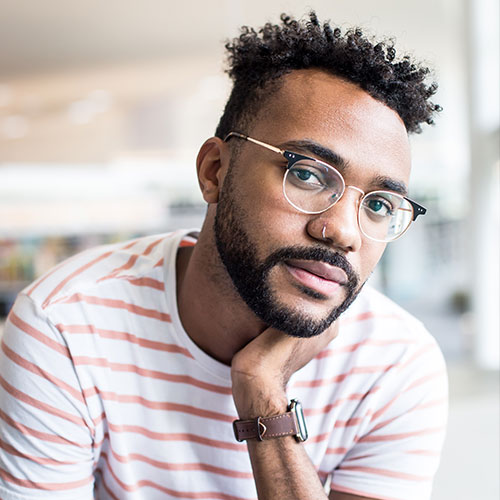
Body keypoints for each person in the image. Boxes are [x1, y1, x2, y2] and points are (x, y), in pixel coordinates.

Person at [0, 11, 447, 500]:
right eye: (308, 175)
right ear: (215, 170)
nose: (343, 232)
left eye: (379, 205)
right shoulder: (66, 324)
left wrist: (263, 394)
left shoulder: (398, 363)